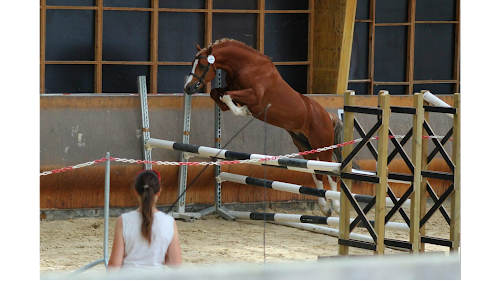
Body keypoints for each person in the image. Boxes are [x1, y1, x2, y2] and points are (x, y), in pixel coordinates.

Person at [107, 169, 182, 272]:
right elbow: (176, 264)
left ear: (136, 191)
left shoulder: (123, 220)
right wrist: (162, 256)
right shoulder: (169, 222)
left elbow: (115, 264)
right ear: (159, 191)